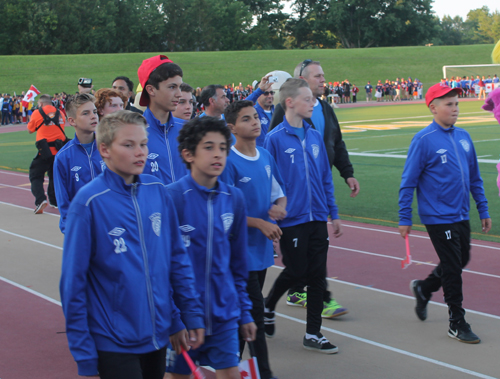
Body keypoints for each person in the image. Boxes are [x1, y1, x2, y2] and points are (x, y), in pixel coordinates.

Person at [60, 110, 205, 378]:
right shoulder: (89, 203)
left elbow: (176, 260)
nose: (141, 152)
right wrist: (84, 357)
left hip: (158, 334)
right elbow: (73, 284)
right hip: (113, 340)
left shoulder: (157, 190)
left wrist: (183, 317)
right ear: (104, 149)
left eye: (143, 144)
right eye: (128, 145)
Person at [399, 83, 491, 344]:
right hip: (437, 216)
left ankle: (424, 288)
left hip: (460, 213)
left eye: (457, 104)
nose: (455, 109)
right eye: (449, 104)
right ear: (433, 108)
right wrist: (405, 217)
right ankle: (457, 322)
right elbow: (408, 181)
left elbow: (474, 177)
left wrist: (482, 208)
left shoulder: (463, 136)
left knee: (461, 259)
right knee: (452, 267)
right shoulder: (424, 140)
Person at [166, 116, 256, 379]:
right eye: (208, 147)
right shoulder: (172, 197)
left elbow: (238, 264)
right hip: (184, 318)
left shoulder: (234, 198)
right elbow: (164, 267)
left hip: (224, 315)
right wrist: (175, 318)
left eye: (222, 148)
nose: (218, 154)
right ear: (188, 154)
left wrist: (244, 312)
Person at [269, 60, 358, 317]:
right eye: (317, 76)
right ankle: (306, 296)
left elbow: (336, 143)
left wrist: (347, 173)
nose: (323, 80)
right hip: (293, 201)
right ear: (301, 80)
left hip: (317, 194)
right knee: (302, 262)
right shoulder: (281, 117)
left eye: (323, 75)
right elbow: (272, 160)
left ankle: (305, 301)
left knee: (314, 260)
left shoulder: (326, 109)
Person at [263, 78, 342, 353]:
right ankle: (268, 304)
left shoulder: (315, 136)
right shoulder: (273, 140)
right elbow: (269, 183)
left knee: (318, 276)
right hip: (291, 220)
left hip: (317, 217)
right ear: (290, 102)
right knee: (297, 271)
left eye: (313, 98)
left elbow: (324, 178)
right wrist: (272, 221)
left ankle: (313, 333)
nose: (313, 103)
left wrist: (334, 213)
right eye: (307, 99)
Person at [221, 100, 286, 379]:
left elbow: (278, 192)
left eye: (256, 117)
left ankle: (228, 367)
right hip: (238, 254)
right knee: (254, 313)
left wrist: (280, 207)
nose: (255, 122)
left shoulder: (265, 156)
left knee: (243, 316)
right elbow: (224, 212)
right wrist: (258, 222)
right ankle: (264, 372)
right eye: (246, 119)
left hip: (260, 252)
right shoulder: (228, 163)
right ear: (231, 127)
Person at [53, 94, 104, 233]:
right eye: (85, 113)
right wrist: (71, 229)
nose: (93, 116)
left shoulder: (108, 148)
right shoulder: (63, 157)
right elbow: (63, 201)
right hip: (81, 229)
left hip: (109, 225)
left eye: (94, 112)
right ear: (72, 121)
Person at [137, 54, 187, 184]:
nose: (179, 94)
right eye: (172, 87)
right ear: (151, 90)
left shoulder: (188, 129)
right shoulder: (133, 134)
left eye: (179, 87)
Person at [27, 94, 67, 213]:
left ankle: (40, 200)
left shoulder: (37, 113)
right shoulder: (60, 113)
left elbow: (30, 130)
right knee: (54, 176)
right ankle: (54, 201)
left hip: (44, 150)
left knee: (35, 175)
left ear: (41, 104)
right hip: (59, 150)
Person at [245, 74, 275, 147]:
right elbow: (241, 105)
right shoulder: (253, 112)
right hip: (261, 154)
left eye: (271, 93)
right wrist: (260, 90)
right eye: (266, 93)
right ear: (258, 96)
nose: (270, 96)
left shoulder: (277, 112)